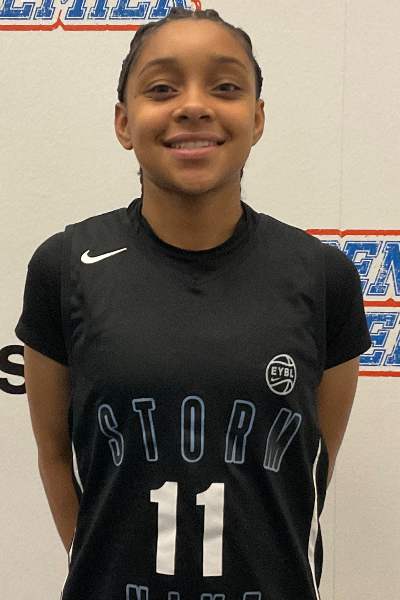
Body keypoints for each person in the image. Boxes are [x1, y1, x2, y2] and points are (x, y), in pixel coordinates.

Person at [16, 7, 371, 600]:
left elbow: (312, 465)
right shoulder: (64, 266)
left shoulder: (322, 275)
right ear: (124, 122)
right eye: (162, 88)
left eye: (225, 87)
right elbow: (54, 454)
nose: (194, 106)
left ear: (257, 119)